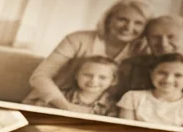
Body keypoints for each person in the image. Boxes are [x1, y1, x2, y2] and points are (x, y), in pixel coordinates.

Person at [108, 15, 183, 132]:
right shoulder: (132, 66)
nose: (163, 43)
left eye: (171, 37)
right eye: (155, 37)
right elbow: (115, 101)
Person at [22, 1, 150, 110]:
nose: (128, 27)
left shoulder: (142, 51)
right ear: (109, 19)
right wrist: (66, 108)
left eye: (138, 23)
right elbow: (39, 76)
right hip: (52, 103)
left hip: (100, 111)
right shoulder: (78, 39)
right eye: (122, 19)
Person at [116, 53, 183, 129]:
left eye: (178, 75)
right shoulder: (133, 98)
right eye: (162, 73)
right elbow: (126, 131)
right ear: (151, 74)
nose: (168, 80)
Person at [55, 56, 119, 116]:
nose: (93, 81)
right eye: (88, 75)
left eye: (102, 77)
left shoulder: (112, 106)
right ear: (76, 75)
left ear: (113, 81)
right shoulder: (59, 95)